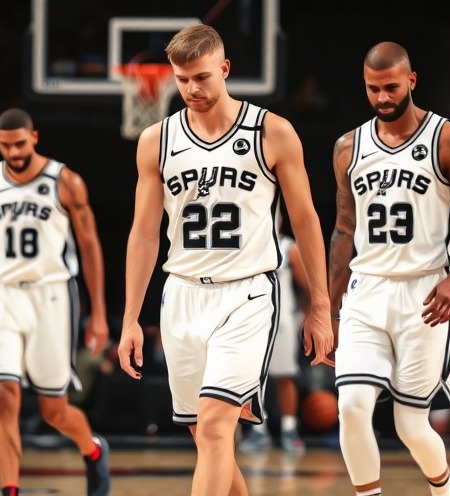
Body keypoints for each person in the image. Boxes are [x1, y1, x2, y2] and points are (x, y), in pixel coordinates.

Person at [117, 24, 334, 496]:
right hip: (181, 294)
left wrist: (321, 305)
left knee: (217, 425)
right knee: (205, 436)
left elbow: (306, 220)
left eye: (202, 77)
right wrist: (130, 317)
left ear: (225, 69)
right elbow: (144, 233)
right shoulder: (156, 140)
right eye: (182, 80)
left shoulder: (272, 131)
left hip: (247, 294)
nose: (192, 89)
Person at [328, 41, 450, 496]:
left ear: (412, 80)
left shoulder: (447, 140)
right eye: (373, 89)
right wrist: (331, 309)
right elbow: (343, 230)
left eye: (391, 87)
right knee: (352, 405)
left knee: (411, 424)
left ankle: (444, 488)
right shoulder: (348, 147)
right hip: (366, 290)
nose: (382, 98)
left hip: (426, 294)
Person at [0, 108, 111, 496]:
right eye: (5, 145)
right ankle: (10, 490)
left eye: (20, 144)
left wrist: (99, 313)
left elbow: (90, 247)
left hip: (51, 295)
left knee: (54, 411)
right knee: (5, 395)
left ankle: (92, 450)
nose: (14, 152)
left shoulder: (65, 181)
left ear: (34, 137)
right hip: (1, 293)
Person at [238, 231, 310, 454]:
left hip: (283, 321)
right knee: (250, 378)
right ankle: (258, 430)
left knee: (285, 376)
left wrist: (308, 313)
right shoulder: (243, 242)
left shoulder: (289, 247)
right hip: (249, 319)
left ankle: (289, 429)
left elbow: (308, 287)